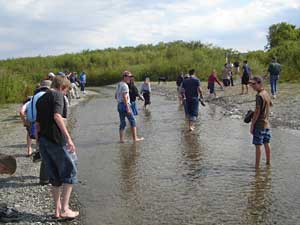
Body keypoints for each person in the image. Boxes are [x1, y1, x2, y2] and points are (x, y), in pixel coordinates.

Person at [36, 76, 79, 219]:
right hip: (56, 140)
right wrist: (68, 138)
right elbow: (57, 116)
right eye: (66, 91)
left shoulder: (40, 98)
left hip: (43, 141)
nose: (65, 94)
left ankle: (57, 211)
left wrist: (38, 142)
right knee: (70, 172)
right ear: (62, 87)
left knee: (54, 177)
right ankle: (65, 209)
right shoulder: (58, 95)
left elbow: (37, 124)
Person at [249, 77, 272, 170]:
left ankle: (257, 168)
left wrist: (252, 124)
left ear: (260, 83)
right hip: (266, 123)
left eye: (254, 84)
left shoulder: (259, 96)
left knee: (258, 146)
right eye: (251, 84)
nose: (252, 86)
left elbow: (258, 111)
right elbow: (270, 104)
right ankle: (268, 163)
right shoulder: (266, 93)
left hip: (259, 124)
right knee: (267, 143)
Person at [115, 71, 144, 143]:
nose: (130, 78)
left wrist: (120, 102)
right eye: (129, 77)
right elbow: (124, 96)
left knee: (122, 123)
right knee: (133, 121)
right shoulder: (125, 85)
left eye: (131, 77)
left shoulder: (119, 84)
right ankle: (135, 138)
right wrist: (127, 107)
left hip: (119, 105)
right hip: (125, 105)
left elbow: (115, 96)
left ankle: (121, 139)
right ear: (124, 77)